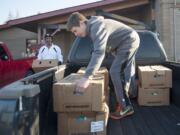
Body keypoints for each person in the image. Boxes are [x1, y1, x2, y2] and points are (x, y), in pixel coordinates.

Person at [66, 12, 139, 119]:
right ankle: (126, 97)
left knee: (115, 71)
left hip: (129, 40)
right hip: (125, 42)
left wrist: (87, 77)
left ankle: (126, 107)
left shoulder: (96, 26)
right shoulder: (93, 28)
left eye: (75, 31)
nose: (75, 34)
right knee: (124, 70)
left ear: (81, 23)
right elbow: (100, 49)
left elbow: (99, 52)